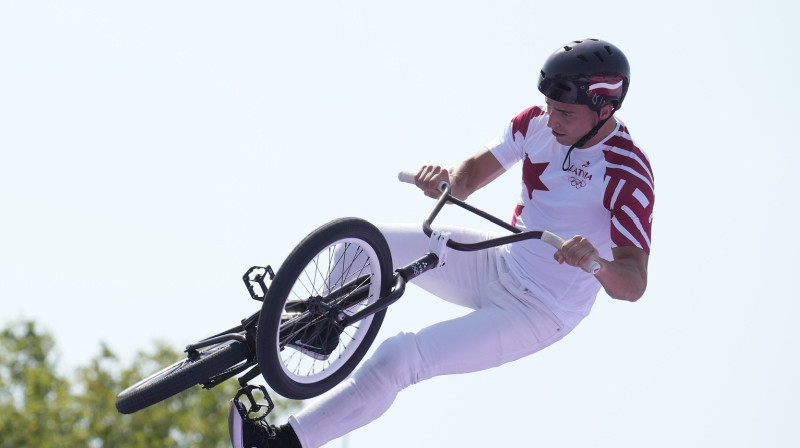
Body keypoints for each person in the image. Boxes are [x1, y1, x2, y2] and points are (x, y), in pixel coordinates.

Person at [228, 38, 655, 448]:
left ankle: (284, 444)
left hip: (540, 309)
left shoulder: (627, 171)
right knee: (365, 244)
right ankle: (320, 334)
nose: (552, 119)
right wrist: (445, 181)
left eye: (564, 112)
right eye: (548, 107)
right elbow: (467, 180)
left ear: (604, 108)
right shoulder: (535, 124)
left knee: (400, 358)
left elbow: (633, 284)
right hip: (499, 259)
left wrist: (596, 262)